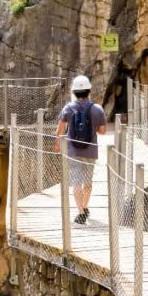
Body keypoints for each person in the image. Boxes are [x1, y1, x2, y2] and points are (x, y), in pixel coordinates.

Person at [55, 75, 107, 224]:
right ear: (89, 91)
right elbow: (103, 131)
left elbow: (60, 129)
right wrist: (92, 127)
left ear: (74, 92)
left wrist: (57, 143)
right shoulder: (97, 109)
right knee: (88, 182)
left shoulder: (68, 108)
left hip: (73, 151)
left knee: (76, 182)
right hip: (91, 151)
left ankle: (80, 211)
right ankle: (84, 207)